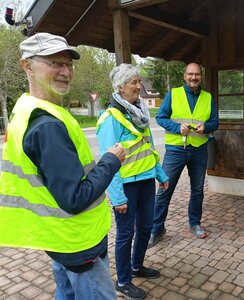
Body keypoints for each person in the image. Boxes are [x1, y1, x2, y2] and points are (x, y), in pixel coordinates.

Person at [0, 33, 125, 299]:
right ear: (27, 66)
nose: (65, 72)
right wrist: (111, 160)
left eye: (68, 64)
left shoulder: (25, 109)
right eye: (55, 63)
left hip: (57, 238)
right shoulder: (48, 125)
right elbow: (75, 198)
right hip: (78, 241)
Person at [96, 63, 169, 300]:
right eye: (133, 82)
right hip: (126, 186)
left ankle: (137, 266)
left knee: (146, 227)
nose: (139, 86)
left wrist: (160, 174)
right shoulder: (110, 118)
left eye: (139, 81)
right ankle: (124, 282)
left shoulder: (140, 114)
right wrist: (117, 197)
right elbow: (109, 162)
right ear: (120, 87)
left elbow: (147, 148)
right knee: (126, 234)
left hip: (147, 181)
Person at [148, 62, 219, 247]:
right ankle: (156, 229)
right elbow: (161, 117)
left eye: (197, 74)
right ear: (184, 76)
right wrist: (177, 128)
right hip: (175, 150)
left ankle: (194, 223)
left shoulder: (208, 97)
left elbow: (215, 122)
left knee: (197, 191)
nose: (193, 77)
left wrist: (207, 127)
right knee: (164, 189)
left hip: (199, 149)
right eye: (190, 74)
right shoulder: (173, 94)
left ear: (201, 76)